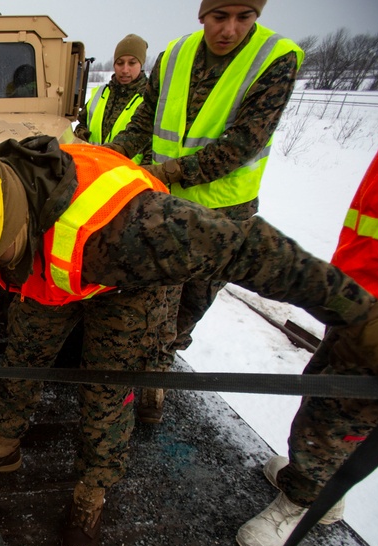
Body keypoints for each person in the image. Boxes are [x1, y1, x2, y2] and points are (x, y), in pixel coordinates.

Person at [0, 120, 378, 546]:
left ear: (12, 218)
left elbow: (250, 248)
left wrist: (371, 320)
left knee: (108, 392)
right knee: (22, 360)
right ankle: (3, 450)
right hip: (53, 275)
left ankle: (90, 495)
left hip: (129, 283)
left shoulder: (143, 230)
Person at [236, 85, 378, 546]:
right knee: (322, 391)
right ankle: (317, 479)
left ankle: (304, 501)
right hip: (369, 290)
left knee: (341, 414)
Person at [106, 0, 302, 424]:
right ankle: (147, 382)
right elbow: (143, 121)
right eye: (219, 17)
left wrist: (164, 169)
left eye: (243, 17)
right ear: (202, 16)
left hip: (223, 215)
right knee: (151, 296)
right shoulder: (174, 55)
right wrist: (106, 158)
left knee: (190, 305)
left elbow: (243, 143)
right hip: (164, 206)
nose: (229, 29)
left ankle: (160, 370)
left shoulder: (276, 58)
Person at [74, 33, 149, 164]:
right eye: (120, 63)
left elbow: (151, 147)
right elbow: (82, 123)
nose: (125, 70)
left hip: (128, 175)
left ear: (141, 64)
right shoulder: (99, 93)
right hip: (94, 168)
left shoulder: (149, 99)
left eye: (132, 63)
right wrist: (81, 135)